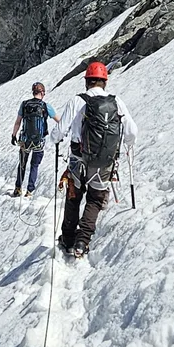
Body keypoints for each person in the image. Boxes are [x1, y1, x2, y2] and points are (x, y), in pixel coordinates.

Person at [51, 61, 137, 260]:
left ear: (87, 81)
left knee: (74, 196)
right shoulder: (116, 102)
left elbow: (59, 131)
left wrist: (54, 140)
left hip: (78, 159)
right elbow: (132, 131)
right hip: (105, 162)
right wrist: (126, 145)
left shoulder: (78, 101)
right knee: (95, 199)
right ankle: (83, 241)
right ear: (104, 81)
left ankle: (68, 238)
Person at [11, 82, 56, 197]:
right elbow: (59, 120)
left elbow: (18, 122)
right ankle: (29, 191)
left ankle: (18, 188)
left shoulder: (25, 104)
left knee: (22, 164)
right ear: (42, 92)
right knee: (34, 165)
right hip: (39, 142)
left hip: (25, 140)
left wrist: (13, 135)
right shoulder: (45, 106)